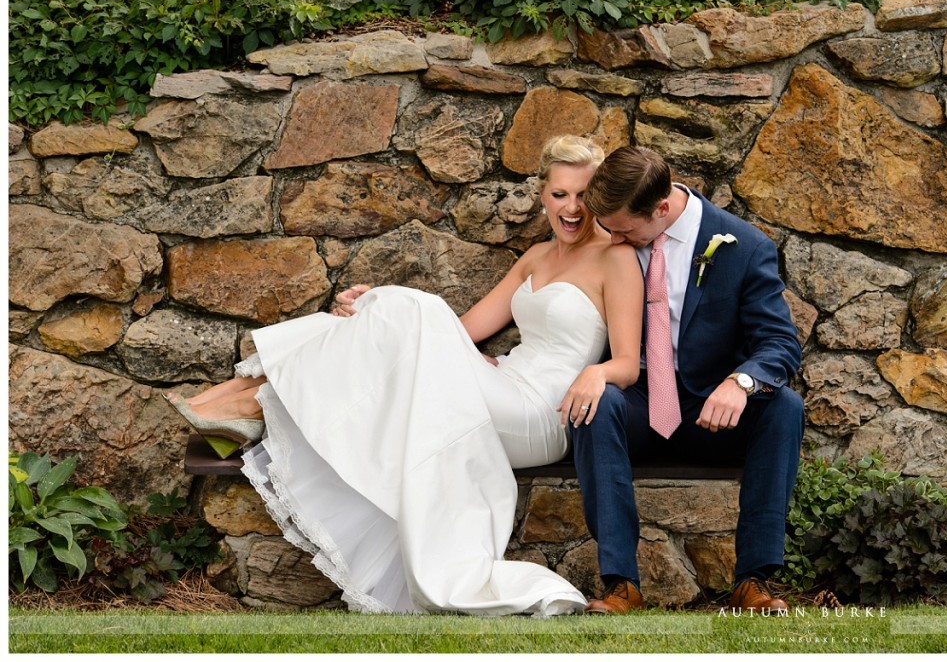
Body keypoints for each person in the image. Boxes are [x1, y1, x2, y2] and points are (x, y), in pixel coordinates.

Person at [166, 135, 644, 616]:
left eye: (583, 195)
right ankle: (258, 396)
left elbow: (626, 362)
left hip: (544, 415)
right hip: (501, 386)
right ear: (543, 194)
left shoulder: (615, 258)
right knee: (399, 314)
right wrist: (369, 315)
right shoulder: (536, 258)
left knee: (414, 307)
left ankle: (253, 399)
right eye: (561, 194)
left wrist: (596, 372)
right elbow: (461, 332)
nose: (572, 208)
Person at [570, 145, 804, 615]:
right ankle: (621, 586)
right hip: (637, 406)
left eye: (624, 229)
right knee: (597, 406)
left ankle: (753, 581)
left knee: (784, 406)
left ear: (661, 209)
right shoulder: (613, 242)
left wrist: (741, 381)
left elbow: (780, 343)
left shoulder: (744, 246)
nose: (614, 238)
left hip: (708, 415)